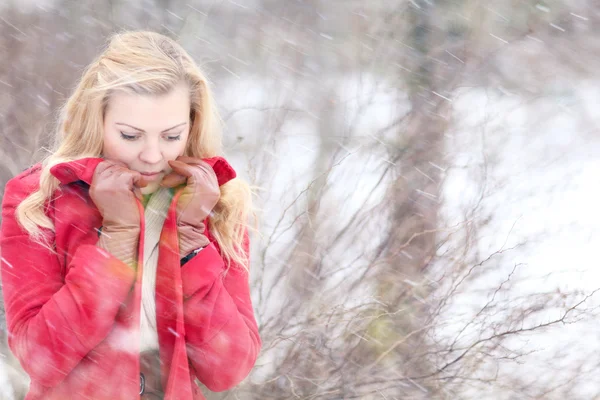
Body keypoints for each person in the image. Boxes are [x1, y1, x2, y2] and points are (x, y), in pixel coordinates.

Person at [0, 30, 261, 400]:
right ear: (98, 120)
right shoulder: (38, 199)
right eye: (131, 135)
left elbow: (227, 369)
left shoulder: (213, 201)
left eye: (171, 136)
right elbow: (41, 358)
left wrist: (188, 239)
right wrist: (116, 240)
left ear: (193, 124)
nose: (153, 155)